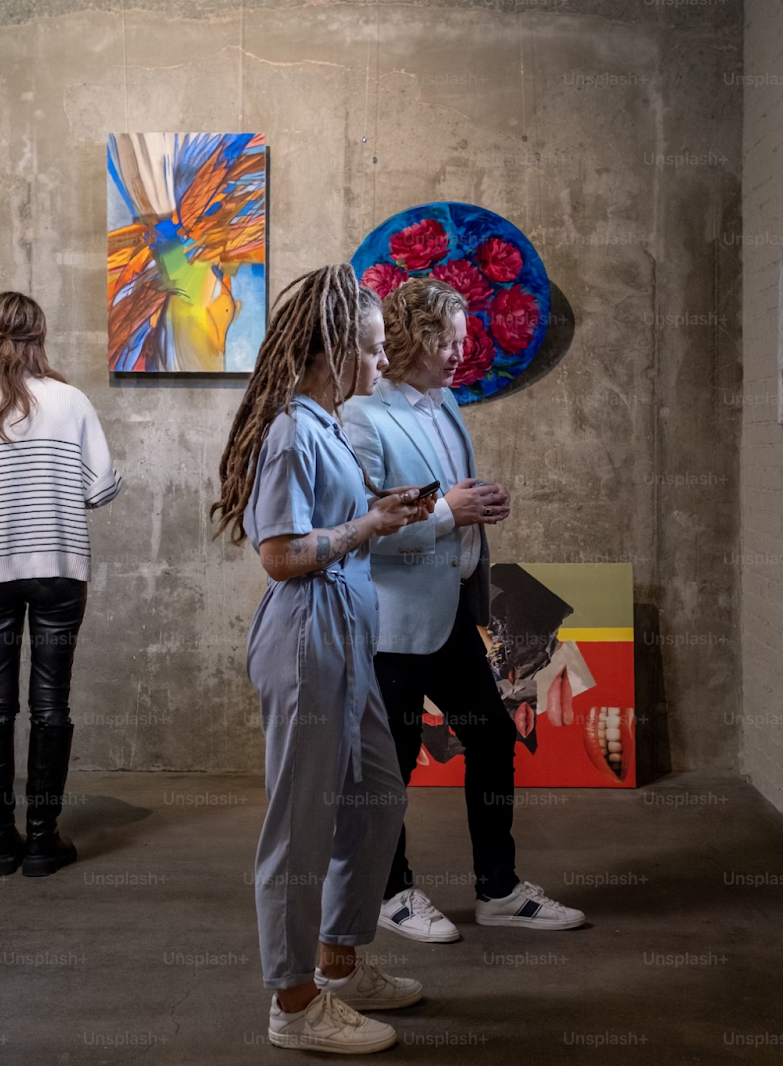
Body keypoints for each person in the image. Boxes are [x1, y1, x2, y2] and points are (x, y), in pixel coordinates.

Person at [211, 265, 431, 1054]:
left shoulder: (328, 422)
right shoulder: (291, 430)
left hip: (345, 635)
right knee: (299, 829)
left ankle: (338, 961)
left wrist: (384, 514)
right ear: (334, 349)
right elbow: (278, 554)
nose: (381, 364)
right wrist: (366, 530)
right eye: (370, 352)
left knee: (376, 794)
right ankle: (294, 1003)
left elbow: (338, 526)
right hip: (307, 637)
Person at [341, 277, 586, 941]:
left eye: (462, 339)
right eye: (449, 340)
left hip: (450, 614)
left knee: (492, 736)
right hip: (393, 626)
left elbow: (450, 499)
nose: (461, 351)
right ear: (414, 338)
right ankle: (389, 893)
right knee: (389, 765)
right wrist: (449, 514)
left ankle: (498, 890)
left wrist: (480, 507)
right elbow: (358, 522)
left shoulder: (445, 404)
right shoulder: (361, 415)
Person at [0, 291, 122, 878]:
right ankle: (41, 842)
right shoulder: (71, 401)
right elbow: (103, 489)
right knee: (50, 705)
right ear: (39, 336)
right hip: (60, 571)